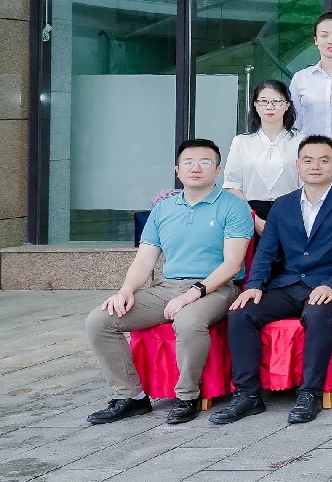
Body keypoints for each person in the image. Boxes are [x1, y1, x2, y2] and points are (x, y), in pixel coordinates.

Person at [84, 140, 251, 426]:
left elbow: (232, 264)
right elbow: (144, 260)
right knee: (100, 320)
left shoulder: (233, 207)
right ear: (177, 170)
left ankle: (187, 396)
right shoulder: (163, 210)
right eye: (188, 162)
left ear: (218, 170)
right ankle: (131, 397)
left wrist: (192, 294)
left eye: (205, 162)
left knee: (188, 320)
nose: (196, 168)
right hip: (168, 287)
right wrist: (126, 290)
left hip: (216, 288)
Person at [213, 136, 332, 425]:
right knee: (241, 313)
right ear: (298, 165)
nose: (315, 166)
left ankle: (309, 393)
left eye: (324, 160)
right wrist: (254, 285)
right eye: (308, 160)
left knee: (317, 313)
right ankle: (248, 395)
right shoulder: (283, 205)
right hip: (288, 285)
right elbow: (266, 251)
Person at [224, 80, 301, 226]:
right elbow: (232, 185)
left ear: (287, 105)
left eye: (276, 101)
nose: (270, 106)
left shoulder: (301, 141)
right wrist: (255, 220)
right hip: (249, 213)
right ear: (255, 105)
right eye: (264, 101)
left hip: (291, 213)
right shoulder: (241, 141)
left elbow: (307, 184)